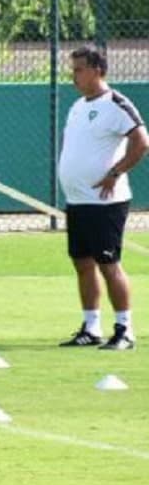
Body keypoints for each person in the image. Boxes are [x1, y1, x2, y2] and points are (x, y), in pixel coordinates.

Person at [57, 45, 148, 351]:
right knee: (82, 263)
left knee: (109, 264)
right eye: (73, 70)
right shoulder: (78, 106)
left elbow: (141, 141)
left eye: (79, 69)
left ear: (97, 70)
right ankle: (91, 327)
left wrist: (115, 173)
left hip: (105, 203)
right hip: (78, 200)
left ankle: (125, 329)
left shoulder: (116, 104)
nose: (74, 76)